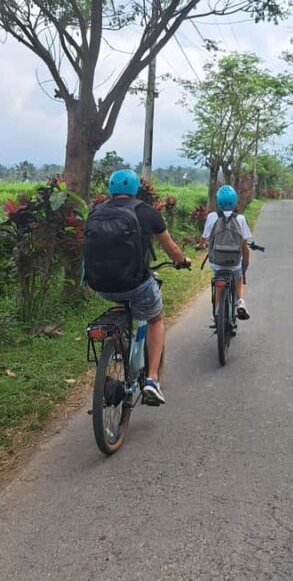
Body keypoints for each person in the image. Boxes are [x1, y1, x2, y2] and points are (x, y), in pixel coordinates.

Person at [84, 169, 190, 406]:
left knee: (120, 302)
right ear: (135, 189)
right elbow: (171, 249)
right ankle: (152, 380)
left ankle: (119, 347)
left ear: (111, 189)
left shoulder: (96, 212)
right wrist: (182, 261)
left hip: (101, 284)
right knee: (156, 318)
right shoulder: (146, 212)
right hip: (135, 284)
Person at [200, 185, 252, 320]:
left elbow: (204, 238)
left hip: (216, 262)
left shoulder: (212, 217)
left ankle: (217, 311)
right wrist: (245, 262)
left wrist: (200, 245)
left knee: (218, 279)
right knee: (239, 277)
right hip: (234, 262)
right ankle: (240, 302)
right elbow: (244, 246)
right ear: (235, 201)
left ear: (218, 201)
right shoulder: (240, 219)